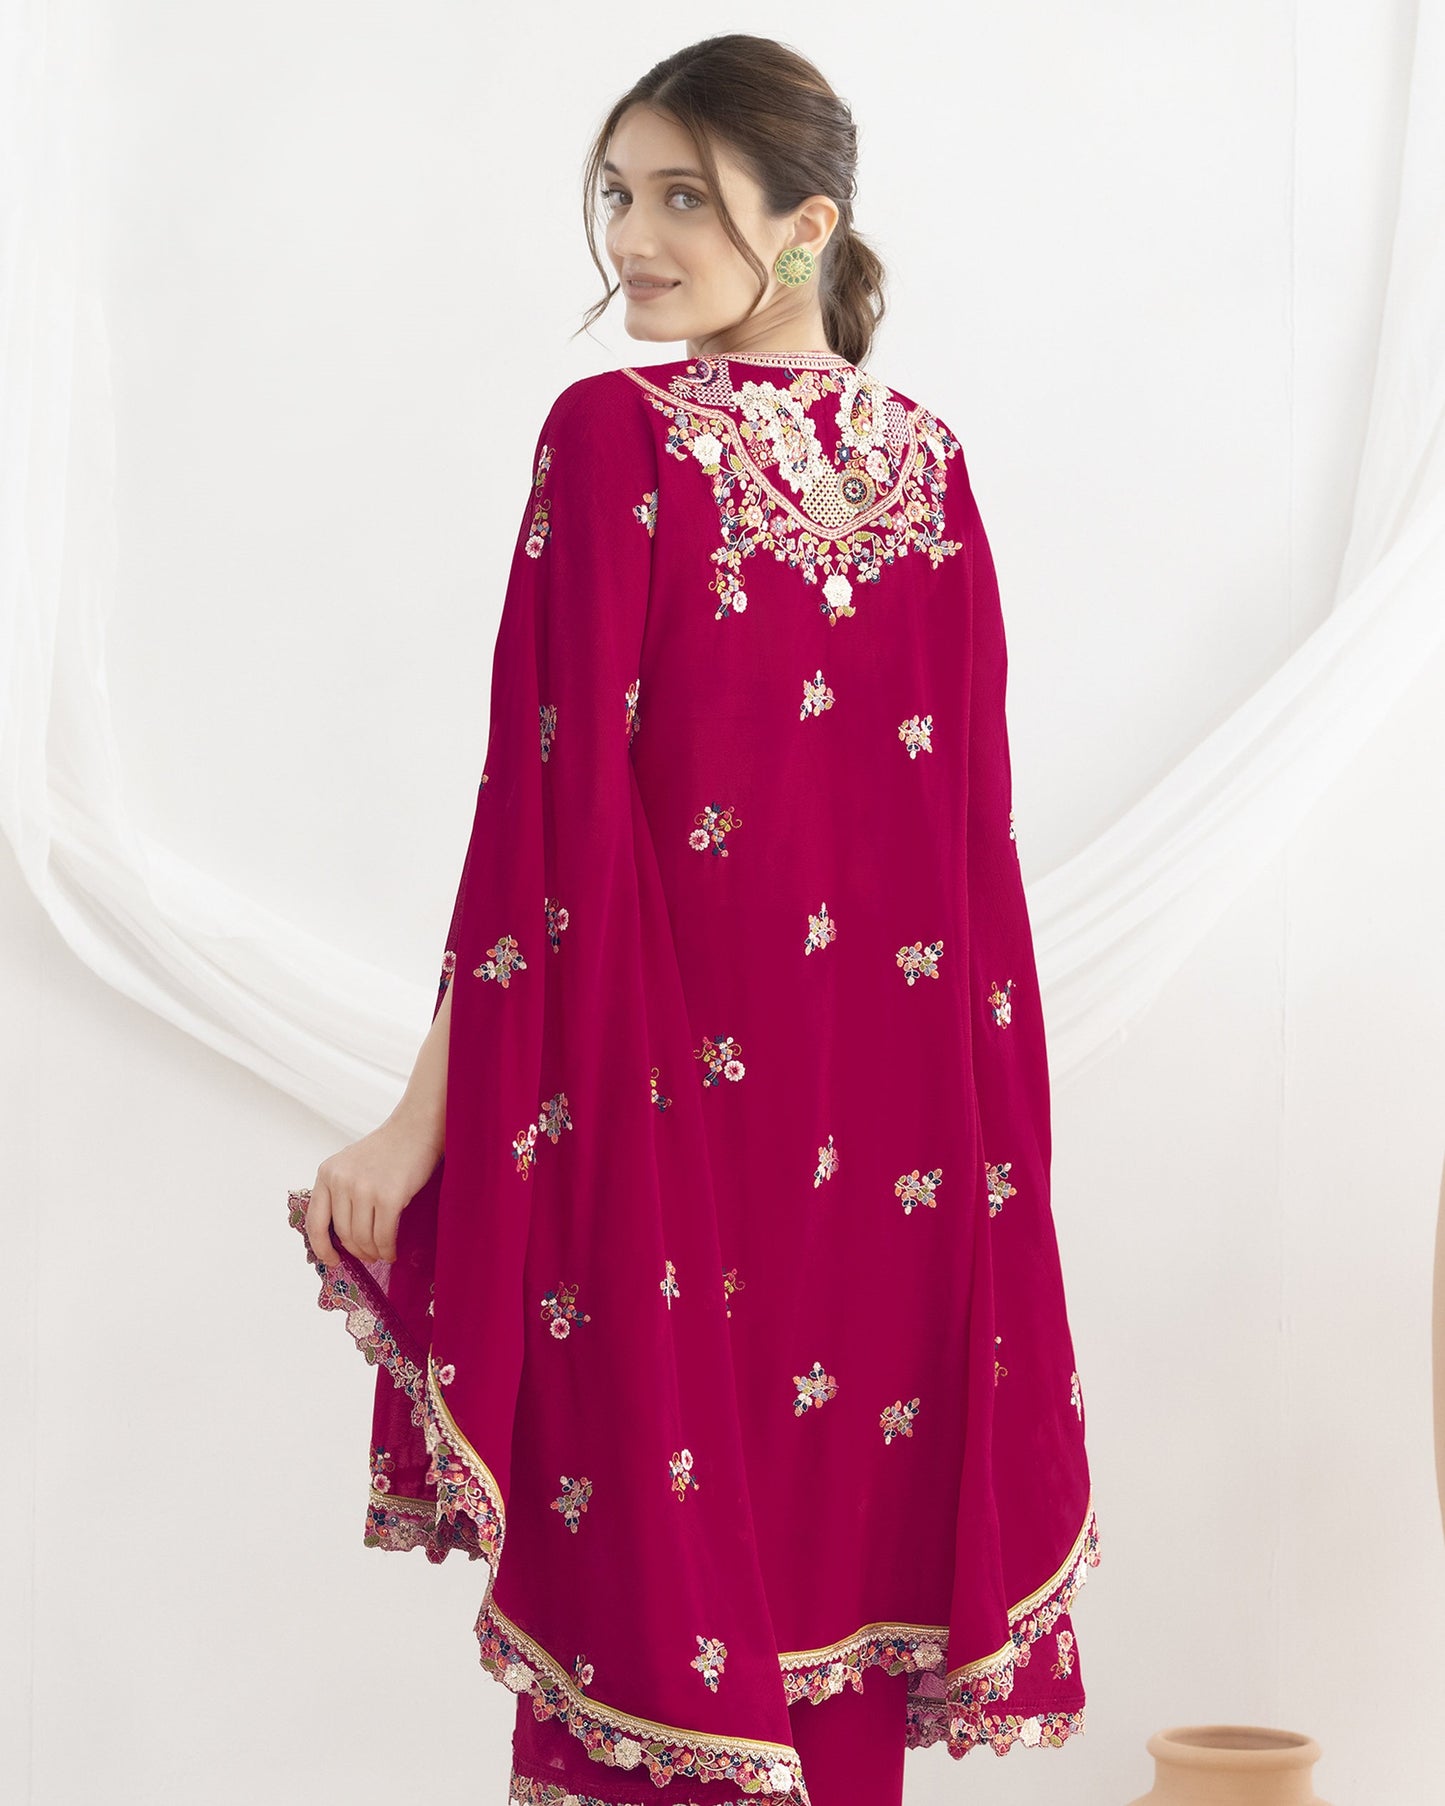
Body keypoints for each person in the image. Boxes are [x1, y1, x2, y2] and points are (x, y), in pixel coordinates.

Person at [287, 31, 1100, 1806]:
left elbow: (959, 856)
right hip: (730, 1132)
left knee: (767, 1635)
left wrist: (428, 1123)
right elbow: (552, 832)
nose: (629, 241)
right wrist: (419, 1121)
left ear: (802, 228)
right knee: (722, 1630)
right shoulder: (626, 441)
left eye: (678, 197)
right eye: (617, 195)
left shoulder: (900, 468)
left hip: (813, 1154)